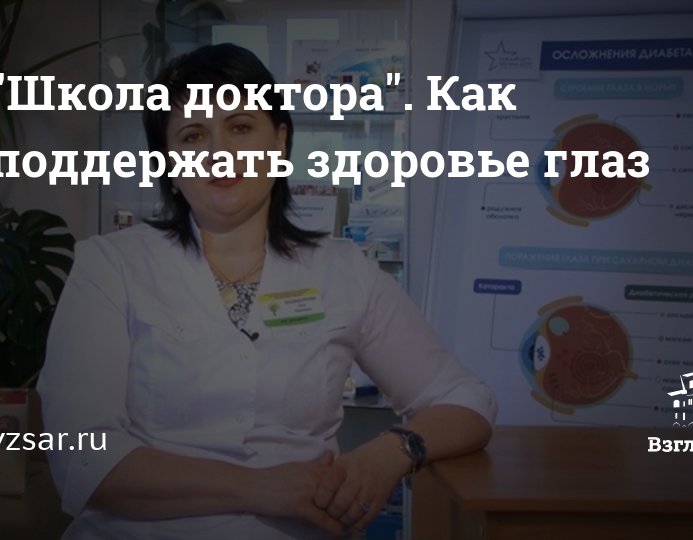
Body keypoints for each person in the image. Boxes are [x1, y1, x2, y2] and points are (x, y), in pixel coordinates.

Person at [37, 43, 497, 540]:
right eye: (193, 136)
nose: (219, 153)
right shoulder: (111, 266)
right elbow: (80, 454)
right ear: (168, 161)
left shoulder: (344, 271)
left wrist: (391, 452)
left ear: (279, 139)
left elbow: (466, 399)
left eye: (240, 127)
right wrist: (258, 488)